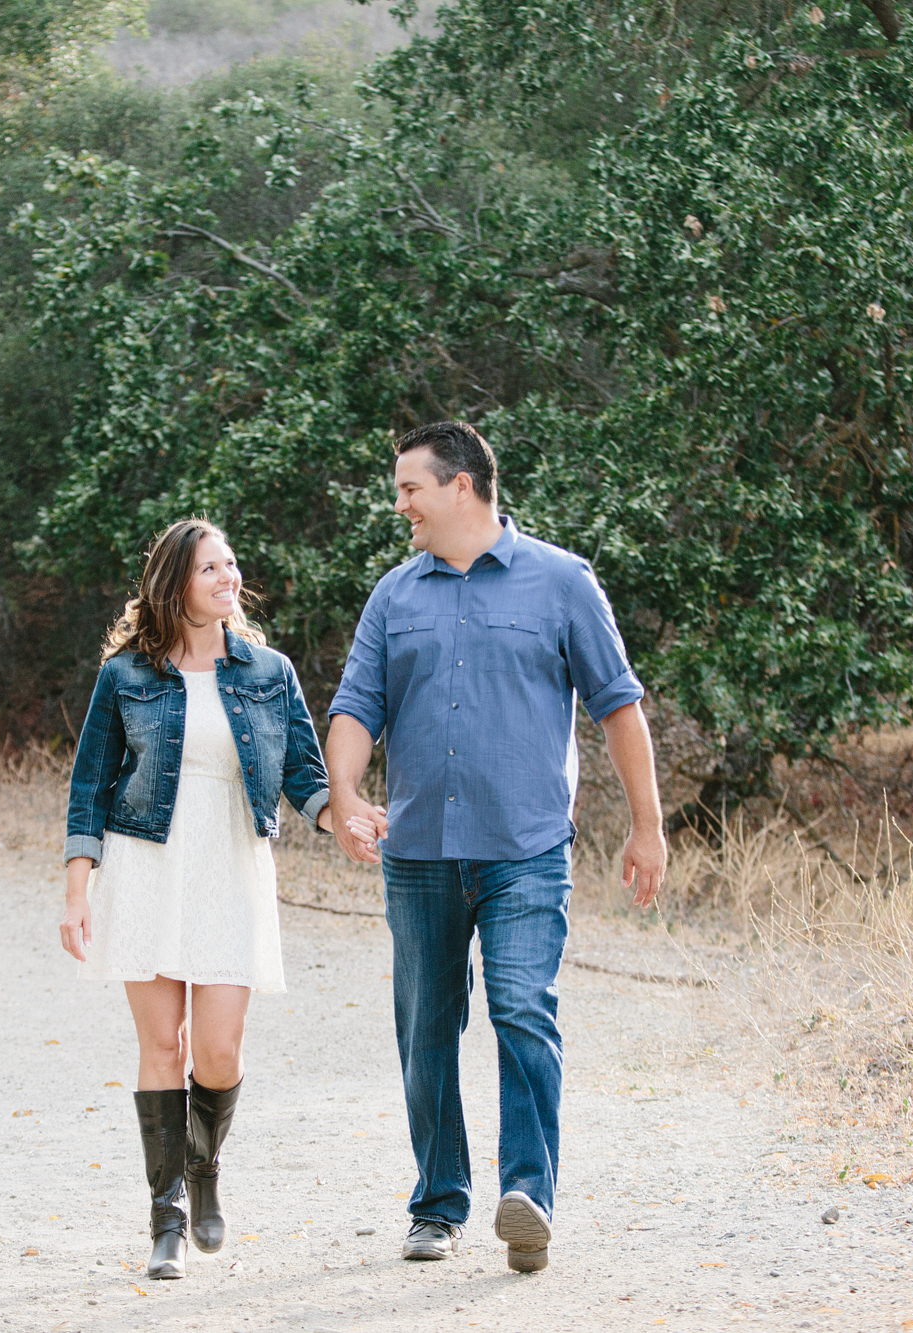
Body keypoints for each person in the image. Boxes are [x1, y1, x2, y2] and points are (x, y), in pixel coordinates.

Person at [325, 421, 668, 1274]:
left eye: (410, 487)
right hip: (420, 853)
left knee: (523, 1007)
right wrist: (344, 795)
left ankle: (528, 1195)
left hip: (524, 848)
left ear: (463, 487)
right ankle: (437, 1205)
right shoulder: (395, 595)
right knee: (426, 1026)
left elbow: (618, 705)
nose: (398, 502)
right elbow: (355, 706)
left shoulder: (561, 583)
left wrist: (648, 823)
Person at [58, 517, 348, 1280]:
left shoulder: (270, 671)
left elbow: (307, 777)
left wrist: (341, 819)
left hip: (231, 861)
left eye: (231, 565)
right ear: (175, 583)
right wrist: (77, 889)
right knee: (163, 1045)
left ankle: (204, 1162)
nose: (228, 578)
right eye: (210, 568)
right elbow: (89, 785)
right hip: (145, 862)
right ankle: (167, 1216)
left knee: (218, 1049)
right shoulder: (126, 675)